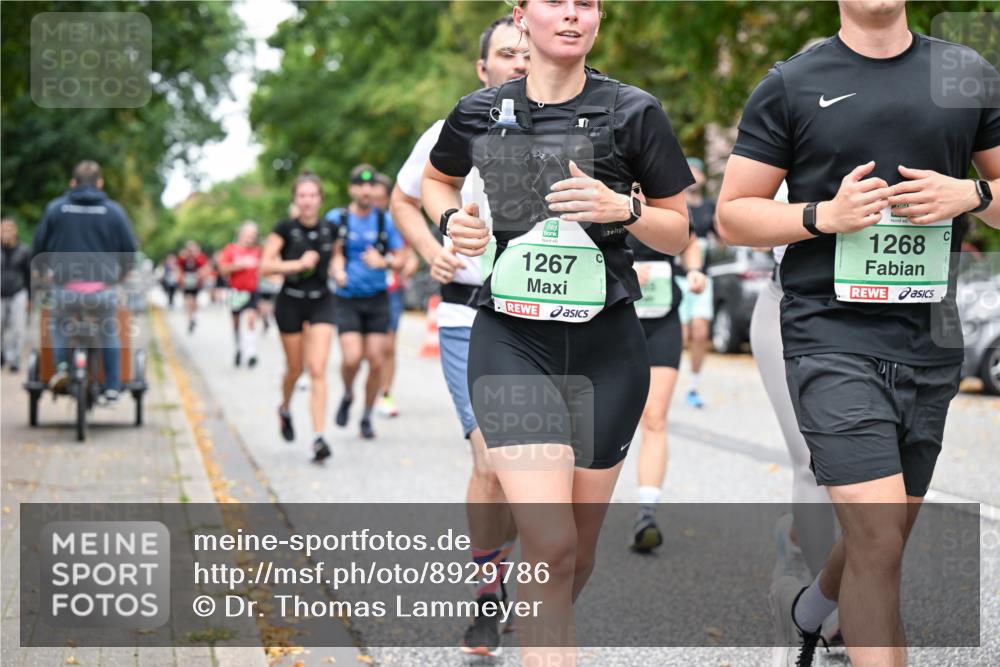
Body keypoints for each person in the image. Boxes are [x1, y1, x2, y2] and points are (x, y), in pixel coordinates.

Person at [717, 2, 1000, 665]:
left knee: (885, 535)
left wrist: (974, 197)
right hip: (830, 333)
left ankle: (810, 608)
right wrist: (823, 214)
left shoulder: (965, 73)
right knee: (877, 542)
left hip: (929, 337)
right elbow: (733, 213)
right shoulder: (792, 82)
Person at [423, 0, 692, 662]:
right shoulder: (481, 110)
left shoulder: (633, 110)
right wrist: (452, 219)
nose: (573, 15)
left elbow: (678, 230)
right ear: (521, 15)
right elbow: (436, 179)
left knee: (576, 549)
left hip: (609, 349)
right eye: (557, 3)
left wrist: (621, 207)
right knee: (550, 543)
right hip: (511, 340)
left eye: (588, 4)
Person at [391, 13, 527, 657]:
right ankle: (487, 595)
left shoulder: (578, 120)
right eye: (506, 52)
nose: (519, 61)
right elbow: (404, 196)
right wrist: (432, 247)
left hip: (547, 319)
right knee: (491, 460)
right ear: (484, 69)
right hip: (470, 316)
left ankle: (517, 566)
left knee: (534, 468)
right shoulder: (456, 127)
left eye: (526, 50)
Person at [628, 190, 707, 552]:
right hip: (614, 324)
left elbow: (689, 244)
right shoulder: (602, 204)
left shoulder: (668, 209)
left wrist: (693, 272)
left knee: (655, 417)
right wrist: (622, 275)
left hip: (661, 322)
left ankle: (647, 511)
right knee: (597, 420)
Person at [31, 160, 138, 401]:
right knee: (109, 329)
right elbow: (129, 253)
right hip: (102, 291)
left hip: (65, 290)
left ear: (72, 183)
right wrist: (119, 276)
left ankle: (62, 370)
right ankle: (112, 386)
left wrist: (42, 273)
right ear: (100, 184)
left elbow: (38, 249)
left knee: (58, 325)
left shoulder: (56, 209)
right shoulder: (114, 211)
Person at [261, 172, 337, 462]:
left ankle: (318, 438)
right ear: (296, 199)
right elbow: (265, 267)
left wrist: (339, 269)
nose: (307, 200)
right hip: (290, 302)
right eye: (302, 195)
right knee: (295, 369)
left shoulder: (330, 229)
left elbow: (337, 256)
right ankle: (285, 408)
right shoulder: (284, 228)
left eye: (312, 195)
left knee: (317, 368)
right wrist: (298, 264)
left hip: (321, 302)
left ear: (320, 199)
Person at [328, 164, 407, 440]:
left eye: (370, 185)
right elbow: (333, 253)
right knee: (351, 359)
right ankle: (349, 392)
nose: (365, 189)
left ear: (375, 189)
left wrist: (383, 261)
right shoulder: (337, 218)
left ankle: (366, 414)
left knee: (375, 360)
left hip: (377, 299)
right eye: (359, 185)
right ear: (351, 189)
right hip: (347, 298)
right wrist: (336, 270)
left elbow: (402, 259)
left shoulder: (385, 221)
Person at [372, 172, 417, 418]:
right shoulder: (359, 221)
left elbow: (410, 257)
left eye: (381, 199)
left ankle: (386, 393)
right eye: (373, 198)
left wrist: (404, 267)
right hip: (363, 293)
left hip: (390, 293)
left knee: (388, 347)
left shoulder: (397, 222)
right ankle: (369, 390)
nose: (376, 203)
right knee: (370, 350)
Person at [679, 157, 716, 409]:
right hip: (677, 278)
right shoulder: (676, 205)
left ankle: (693, 386)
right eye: (688, 171)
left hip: (703, 277)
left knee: (701, 333)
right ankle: (665, 380)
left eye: (697, 171)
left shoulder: (709, 207)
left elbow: (724, 234)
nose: (693, 176)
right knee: (680, 337)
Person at [219, 221, 263, 368]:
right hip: (236, 292)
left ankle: (251, 353)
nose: (250, 238)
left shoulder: (257, 251)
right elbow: (223, 269)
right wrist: (239, 265)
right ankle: (238, 347)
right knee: (236, 322)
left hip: (252, 291)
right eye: (247, 234)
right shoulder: (230, 249)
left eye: (253, 235)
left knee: (251, 319)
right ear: (240, 234)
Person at [1, 216, 31, 373]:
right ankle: (2, 355)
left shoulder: (24, 250)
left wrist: (30, 298)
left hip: (18, 292)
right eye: (3, 229)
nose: (5, 232)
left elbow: (29, 275)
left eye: (8, 229)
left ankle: (14, 359)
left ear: (14, 231)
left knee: (18, 329)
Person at [179, 240, 209, 333]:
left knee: (194, 302)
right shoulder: (183, 258)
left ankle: (195, 316)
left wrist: (200, 275)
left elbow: (206, 268)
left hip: (196, 284)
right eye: (189, 249)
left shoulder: (199, 258)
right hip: (187, 283)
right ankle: (190, 321)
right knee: (188, 302)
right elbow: (179, 269)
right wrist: (181, 279)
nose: (191, 252)